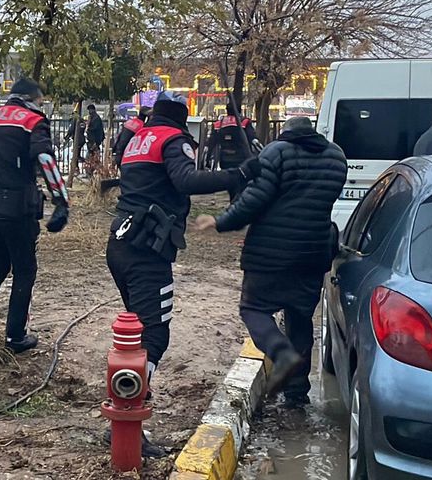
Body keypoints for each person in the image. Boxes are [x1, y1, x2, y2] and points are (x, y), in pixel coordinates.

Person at [106, 91, 259, 455]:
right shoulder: (173, 139)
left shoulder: (138, 139)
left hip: (121, 243)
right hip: (147, 251)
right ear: (181, 116)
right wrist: (238, 174)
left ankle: (125, 417)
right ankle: (125, 423)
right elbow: (186, 181)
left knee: (138, 332)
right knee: (154, 336)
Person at [194, 116, 348, 407]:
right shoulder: (336, 157)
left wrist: (220, 221)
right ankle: (296, 394)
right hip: (313, 253)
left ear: (286, 133)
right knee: (300, 319)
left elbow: (255, 199)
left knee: (254, 309)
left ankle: (281, 353)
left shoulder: (276, 152)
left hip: (270, 253)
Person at [0, 78, 70, 356]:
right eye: (41, 101)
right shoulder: (32, 121)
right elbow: (45, 159)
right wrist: (61, 201)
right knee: (24, 270)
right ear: (32, 99)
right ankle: (15, 336)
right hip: (16, 208)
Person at [208, 103, 259, 170]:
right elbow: (252, 139)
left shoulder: (218, 124)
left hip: (224, 159)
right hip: (241, 158)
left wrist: (207, 159)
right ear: (239, 110)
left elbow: (211, 143)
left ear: (227, 110)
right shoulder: (245, 122)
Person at [85, 104, 106, 175]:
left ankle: (93, 172)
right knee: (93, 157)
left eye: (90, 110)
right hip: (93, 140)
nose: (89, 112)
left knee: (92, 157)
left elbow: (95, 129)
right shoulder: (93, 117)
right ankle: (93, 172)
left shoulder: (95, 118)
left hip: (94, 141)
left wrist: (88, 129)